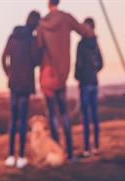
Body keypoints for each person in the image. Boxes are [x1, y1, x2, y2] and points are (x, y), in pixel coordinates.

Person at [36, 0, 93, 161]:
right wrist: (91, 32)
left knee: (52, 116)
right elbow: (85, 32)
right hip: (61, 75)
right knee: (64, 115)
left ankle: (57, 152)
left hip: (47, 75)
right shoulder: (66, 18)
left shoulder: (42, 24)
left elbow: (38, 49)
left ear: (48, 4)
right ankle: (70, 154)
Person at [1, 11, 42, 168]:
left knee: (13, 120)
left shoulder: (13, 36)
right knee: (23, 121)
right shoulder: (31, 39)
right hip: (25, 85)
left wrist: (9, 74)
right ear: (35, 24)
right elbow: (36, 61)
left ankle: (11, 156)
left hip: (13, 84)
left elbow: (3, 58)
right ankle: (22, 157)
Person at [74, 17, 104, 157]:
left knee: (86, 117)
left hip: (85, 84)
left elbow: (78, 64)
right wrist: (94, 71)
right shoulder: (95, 43)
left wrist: (78, 76)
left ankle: (87, 149)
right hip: (94, 82)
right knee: (95, 116)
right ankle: (96, 147)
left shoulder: (81, 44)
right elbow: (101, 63)